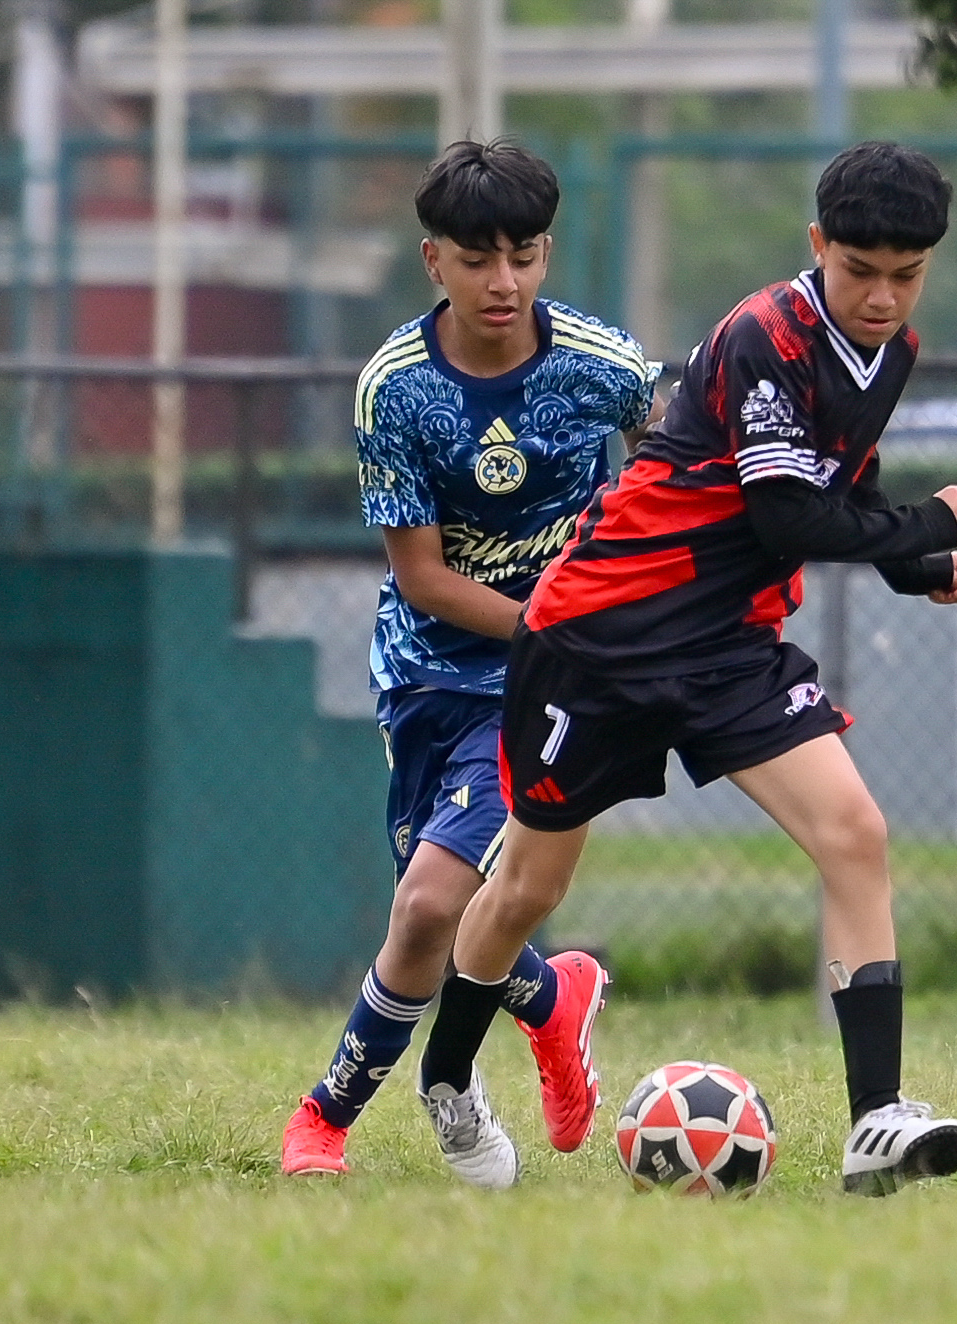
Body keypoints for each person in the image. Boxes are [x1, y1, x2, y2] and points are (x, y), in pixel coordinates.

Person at [415, 141, 957, 1196]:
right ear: (819, 248)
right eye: (861, 271)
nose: (883, 296)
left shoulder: (888, 357)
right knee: (528, 887)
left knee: (853, 832)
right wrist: (923, 525)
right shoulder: (768, 334)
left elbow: (833, 489)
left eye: (907, 275)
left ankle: (875, 1121)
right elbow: (784, 508)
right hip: (601, 635)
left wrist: (918, 563)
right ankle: (447, 1079)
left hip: (727, 645)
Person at [281, 139, 659, 1186]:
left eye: (526, 255)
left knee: (427, 907)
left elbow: (688, 471)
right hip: (426, 675)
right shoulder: (392, 391)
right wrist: (552, 620)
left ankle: (326, 1116)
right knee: (432, 913)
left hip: (544, 684)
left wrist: (638, 601)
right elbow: (426, 578)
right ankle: (551, 995)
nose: (506, 282)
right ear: (431, 260)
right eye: (479, 258)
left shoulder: (606, 367)